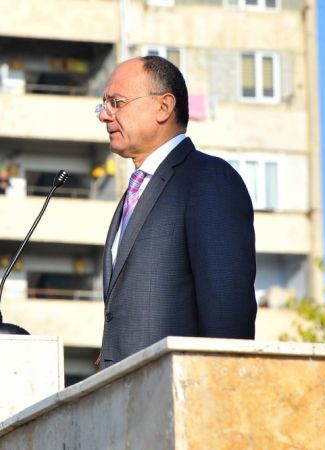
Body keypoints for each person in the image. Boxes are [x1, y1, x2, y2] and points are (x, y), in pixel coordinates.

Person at [95, 56, 257, 369]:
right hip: (126, 390)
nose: (105, 115)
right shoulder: (134, 193)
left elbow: (227, 313)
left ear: (163, 107)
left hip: (180, 387)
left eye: (116, 103)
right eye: (103, 105)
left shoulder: (207, 179)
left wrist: (218, 386)